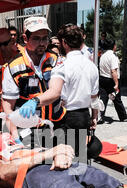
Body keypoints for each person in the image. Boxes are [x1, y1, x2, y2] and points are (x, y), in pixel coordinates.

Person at [18, 24, 99, 157]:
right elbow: (94, 97)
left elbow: (55, 93)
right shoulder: (92, 66)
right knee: (80, 156)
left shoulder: (62, 67)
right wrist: (94, 117)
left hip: (69, 117)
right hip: (85, 116)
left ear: (64, 43)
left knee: (65, 155)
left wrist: (35, 101)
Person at [1, 17, 65, 143]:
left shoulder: (56, 60)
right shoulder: (12, 67)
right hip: (29, 131)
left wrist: (34, 101)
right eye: (36, 38)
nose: (42, 43)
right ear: (25, 38)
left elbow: (55, 91)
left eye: (45, 38)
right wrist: (15, 136)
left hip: (57, 125)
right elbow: (8, 107)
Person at [99, 38, 127, 123]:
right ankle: (123, 115)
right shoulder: (112, 56)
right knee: (117, 98)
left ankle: (99, 117)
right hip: (111, 80)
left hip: (102, 78)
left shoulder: (103, 55)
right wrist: (116, 83)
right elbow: (113, 71)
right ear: (114, 46)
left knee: (103, 98)